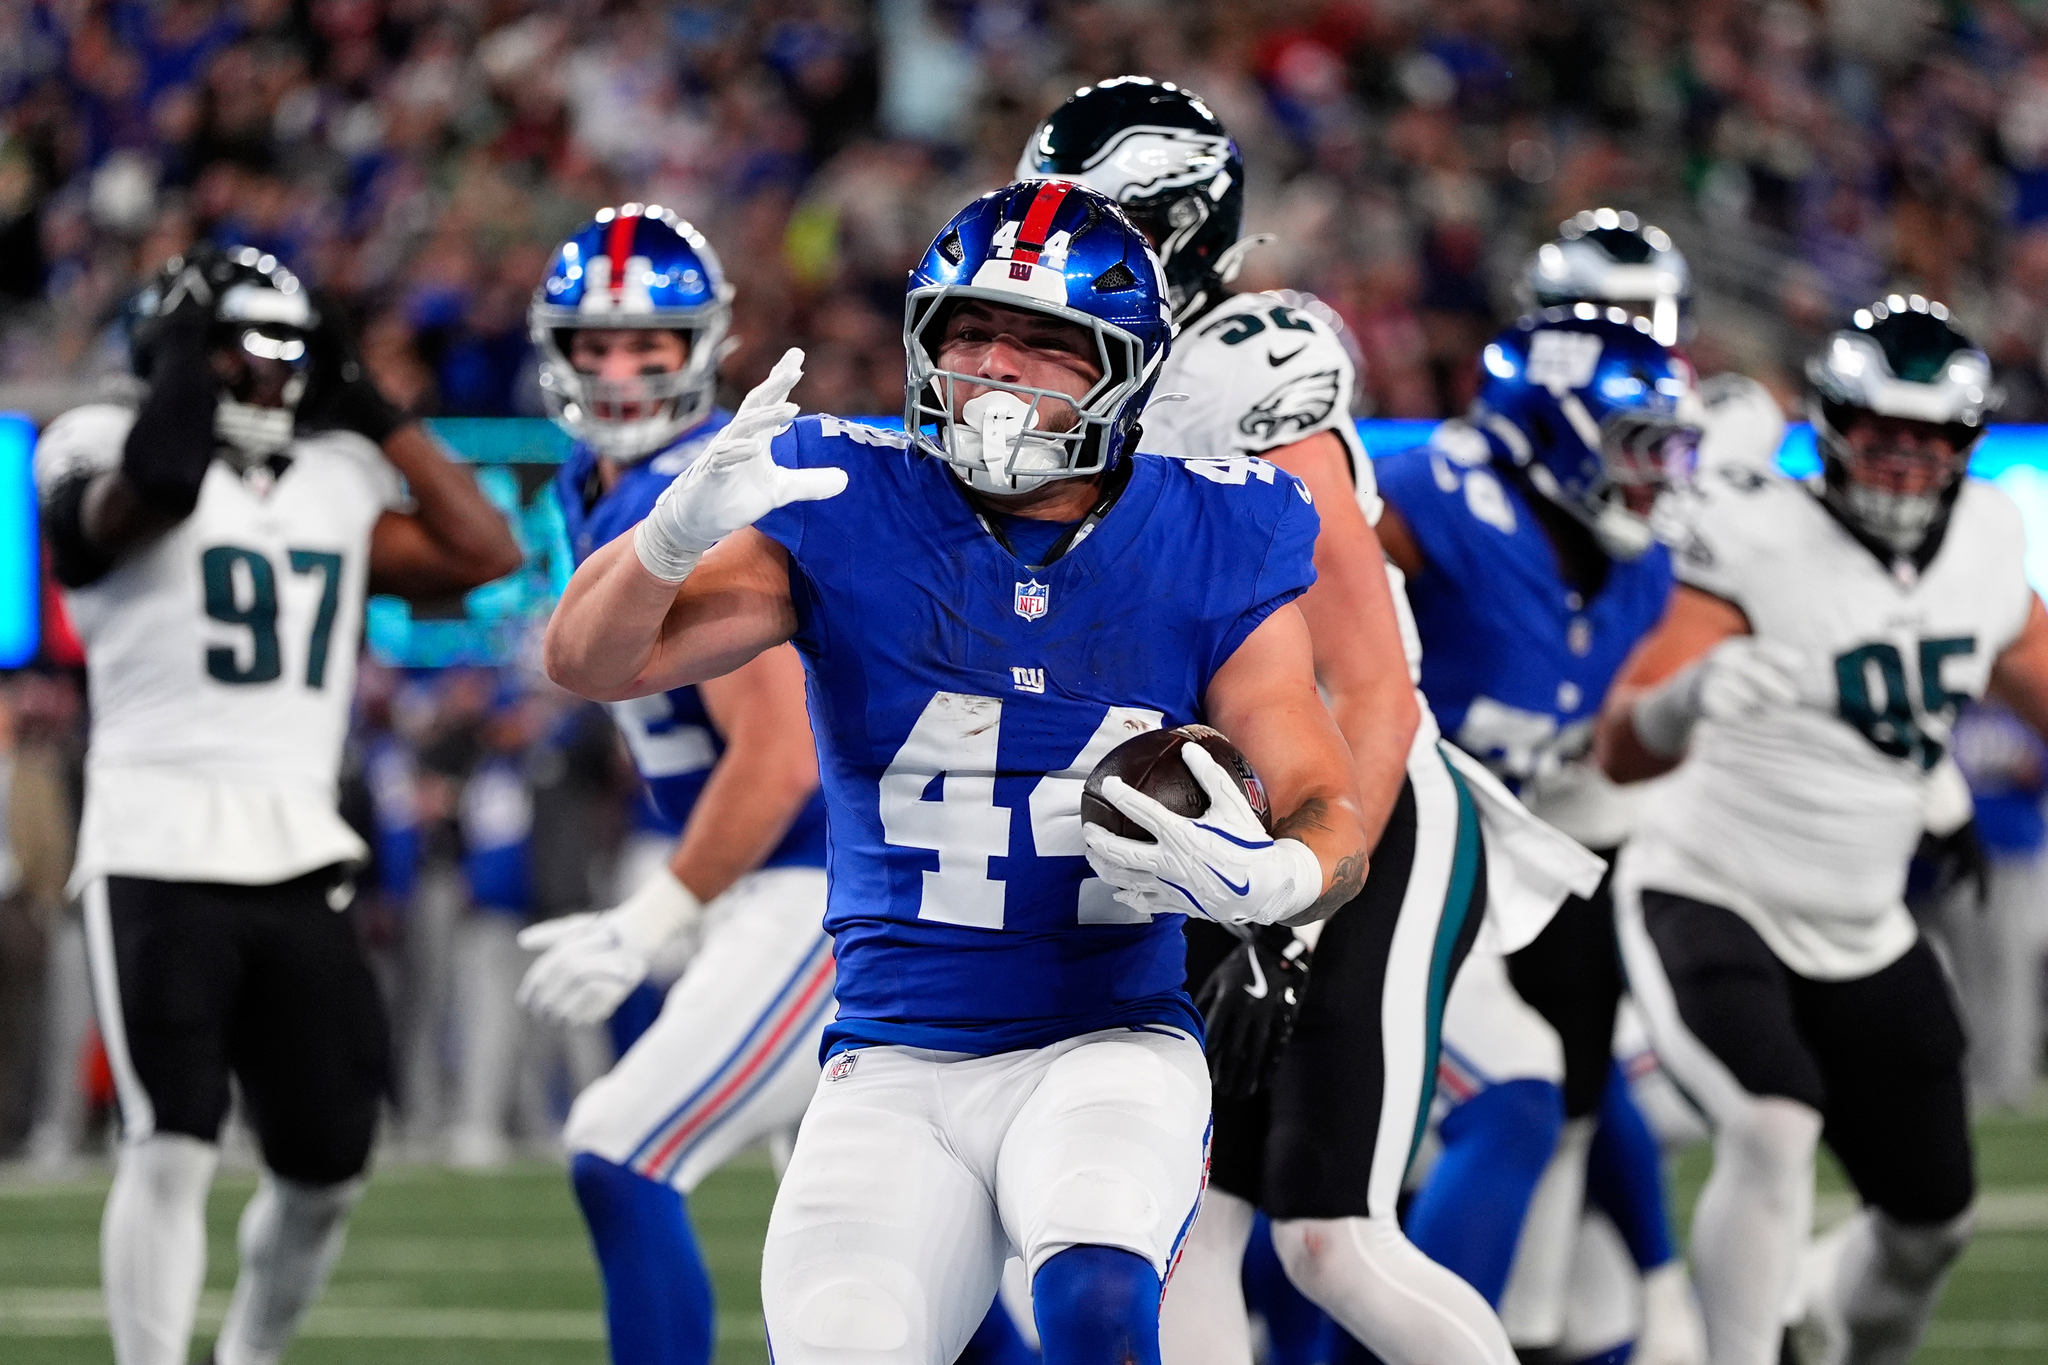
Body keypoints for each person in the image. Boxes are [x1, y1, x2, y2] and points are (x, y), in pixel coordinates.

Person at [544, 178, 1369, 1365]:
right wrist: (669, 537)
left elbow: (1322, 797)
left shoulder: (1211, 532)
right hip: (889, 1058)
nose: (995, 368)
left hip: (1105, 1042)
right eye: (970, 332)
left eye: (1043, 344)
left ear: (1122, 371)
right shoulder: (843, 496)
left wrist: (1281, 881)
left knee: (1091, 1290)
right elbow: (588, 661)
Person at [1015, 77, 1599, 1365]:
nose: (1046, 248)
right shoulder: (1066, 377)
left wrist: (1306, 887)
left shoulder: (1237, 369)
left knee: (1327, 1236)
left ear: (1170, 228)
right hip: (1208, 825)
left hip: (1354, 816)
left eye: (1084, 217)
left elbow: (1370, 683)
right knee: (1190, 1224)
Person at [35, 245, 521, 1365]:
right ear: (177, 354)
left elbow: (484, 550)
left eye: (291, 352)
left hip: (301, 847)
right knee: (171, 1144)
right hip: (153, 838)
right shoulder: (100, 442)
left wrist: (378, 408)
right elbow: (149, 494)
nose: (271, 374)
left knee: (328, 1166)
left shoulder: (336, 472)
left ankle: (247, 1356)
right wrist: (180, 369)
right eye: (242, 348)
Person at [1594, 297, 2048, 1365]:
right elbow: (1624, 744)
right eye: (1881, 436)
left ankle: (1819, 1326)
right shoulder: (1754, 532)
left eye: (1928, 441)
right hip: (1710, 887)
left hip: (1861, 921)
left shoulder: (1982, 539)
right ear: (1836, 426)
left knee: (1930, 1228)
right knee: (1769, 1123)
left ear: (1963, 446)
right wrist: (1685, 698)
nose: (1900, 464)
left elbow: (2028, 672)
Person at [509, 205, 836, 1365]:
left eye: (646, 343)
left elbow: (782, 751)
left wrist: (660, 910)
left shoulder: (705, 491)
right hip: (794, 882)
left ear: (702, 345)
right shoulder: (590, 482)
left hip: (826, 884)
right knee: (870, 1253)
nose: (617, 368)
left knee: (621, 1146)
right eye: (593, 343)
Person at [1374, 311, 1699, 1360]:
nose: (1653, 477)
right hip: (1361, 862)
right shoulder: (1435, 499)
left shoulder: (1639, 572)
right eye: (1633, 445)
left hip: (1485, 865)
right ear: (1552, 430)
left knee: (1560, 1083)